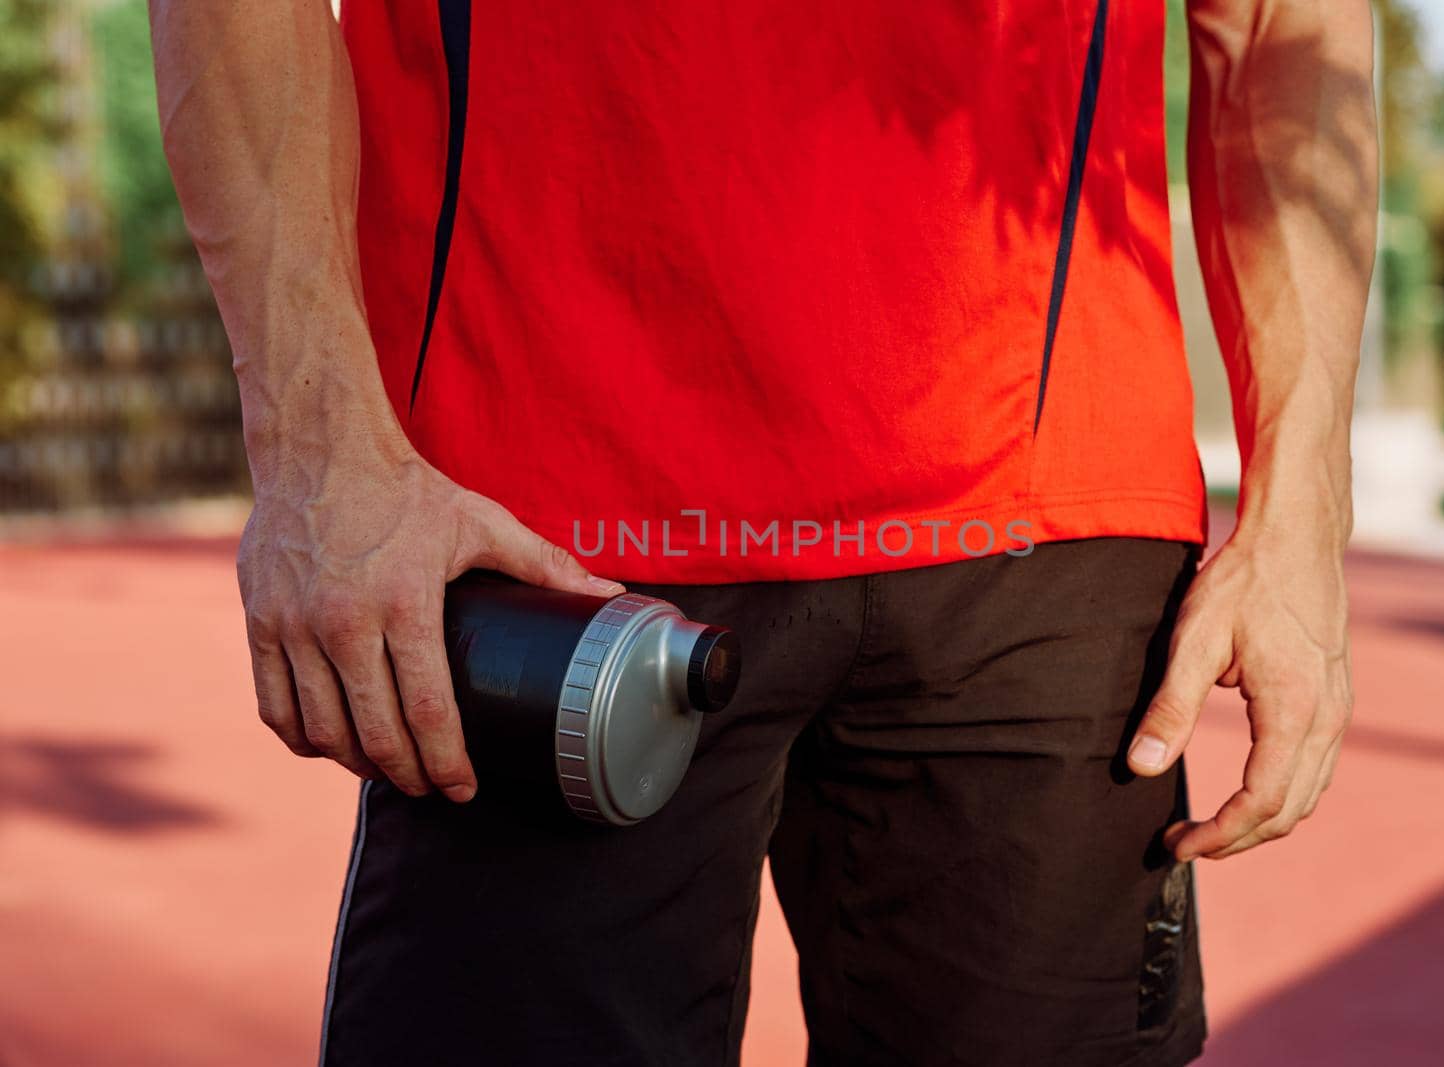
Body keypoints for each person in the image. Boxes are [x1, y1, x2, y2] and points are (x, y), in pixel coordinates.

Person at [151, 1, 1374, 1064]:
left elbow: (1282, 19)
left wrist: (1304, 509)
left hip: (1046, 501)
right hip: (548, 518)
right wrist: (319, 449)